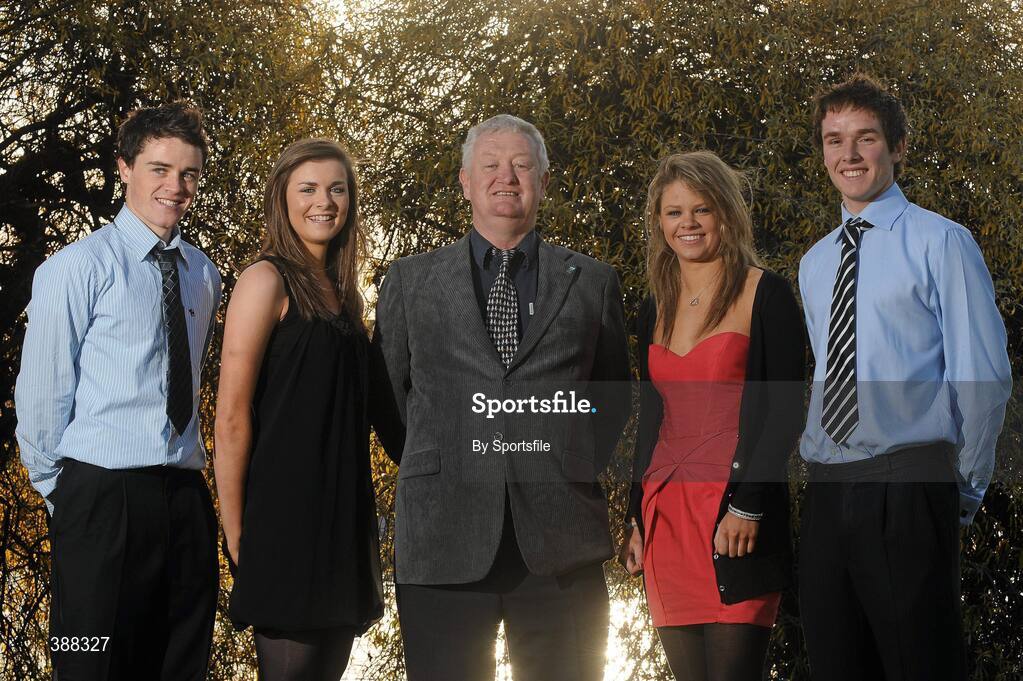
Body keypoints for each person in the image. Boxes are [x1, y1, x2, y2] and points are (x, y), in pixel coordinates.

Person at [371, 114, 631, 681]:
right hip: (442, 540)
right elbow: (390, 405)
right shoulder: (410, 282)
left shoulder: (592, 282)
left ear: (542, 178)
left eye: (520, 165)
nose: (505, 177)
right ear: (465, 181)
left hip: (561, 544)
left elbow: (610, 402)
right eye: (490, 165)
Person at [798, 74, 1012, 681]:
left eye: (865, 139)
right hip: (826, 490)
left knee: (922, 665)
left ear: (896, 147)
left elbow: (984, 376)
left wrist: (960, 489)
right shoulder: (814, 263)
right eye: (834, 140)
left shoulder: (941, 242)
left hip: (909, 486)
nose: (848, 154)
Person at [15, 101, 221, 680]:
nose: (175, 187)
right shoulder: (75, 269)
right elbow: (41, 404)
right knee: (91, 669)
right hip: (101, 497)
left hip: (184, 497)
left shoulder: (203, 274)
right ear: (124, 168)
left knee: (181, 666)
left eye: (189, 174)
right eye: (159, 169)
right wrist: (77, 501)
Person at [618, 151, 805, 680]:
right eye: (675, 212)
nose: (689, 224)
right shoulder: (654, 305)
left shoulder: (764, 292)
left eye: (702, 210)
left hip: (734, 518)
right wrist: (634, 514)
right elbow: (649, 420)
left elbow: (786, 413)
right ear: (659, 221)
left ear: (726, 213)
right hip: (666, 517)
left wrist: (748, 507)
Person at [213, 139, 383, 681]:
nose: (324, 202)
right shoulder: (265, 281)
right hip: (283, 519)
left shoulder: (343, 293)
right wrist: (237, 530)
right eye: (307, 189)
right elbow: (232, 415)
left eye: (337, 189)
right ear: (282, 198)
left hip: (342, 520)